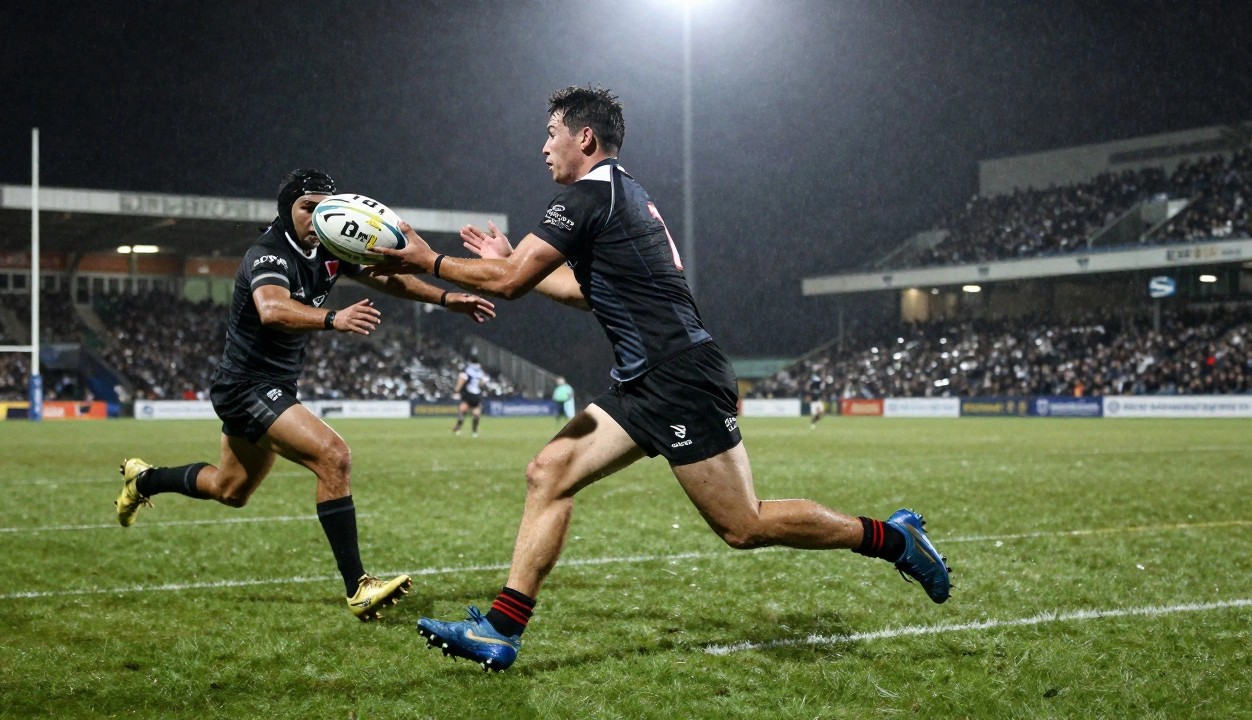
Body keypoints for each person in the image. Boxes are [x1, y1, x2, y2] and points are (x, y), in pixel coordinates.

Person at [372, 87, 952, 671]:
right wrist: (504, 263)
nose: (543, 147)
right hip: (642, 381)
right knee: (548, 472)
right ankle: (502, 629)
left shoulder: (585, 196)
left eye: (551, 134)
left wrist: (428, 260)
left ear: (585, 139)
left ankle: (893, 539)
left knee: (742, 526)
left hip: (677, 375)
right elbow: (577, 291)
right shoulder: (619, 193)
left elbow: (510, 284)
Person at [113, 169, 496, 621]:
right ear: (286, 209)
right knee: (333, 455)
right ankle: (358, 587)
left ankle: (142, 480)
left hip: (270, 386)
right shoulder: (268, 254)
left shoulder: (330, 247)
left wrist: (447, 300)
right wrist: (334, 319)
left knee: (230, 489)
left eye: (324, 207)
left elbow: (388, 278)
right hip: (247, 386)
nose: (318, 218)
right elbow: (272, 309)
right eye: (307, 208)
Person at [452, 360, 487, 437]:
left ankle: (458, 428)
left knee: (462, 411)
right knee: (476, 414)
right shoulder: (479, 372)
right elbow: (482, 382)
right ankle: (474, 432)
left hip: (468, 394)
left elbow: (461, 381)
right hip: (476, 395)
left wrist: (456, 391)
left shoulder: (467, 371)